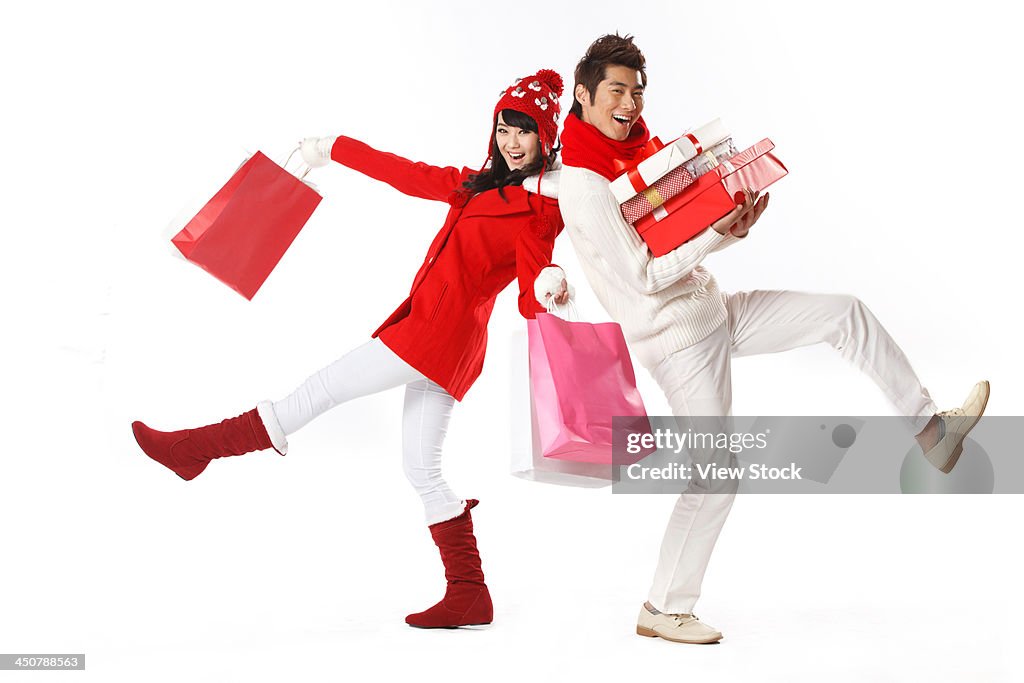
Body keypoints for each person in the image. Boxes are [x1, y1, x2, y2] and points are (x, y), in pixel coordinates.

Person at [552, 34, 989, 645]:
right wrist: (716, 237)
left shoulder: (638, 154)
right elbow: (644, 276)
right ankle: (663, 607)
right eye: (616, 91)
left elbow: (673, 238)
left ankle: (930, 431)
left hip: (713, 311)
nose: (629, 102)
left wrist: (728, 228)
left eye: (637, 90)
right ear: (584, 94)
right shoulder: (584, 183)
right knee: (717, 474)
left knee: (845, 314)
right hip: (676, 339)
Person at [131, 68, 569, 630]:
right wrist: (331, 148)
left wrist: (551, 288)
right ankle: (469, 592)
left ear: (545, 138)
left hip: (433, 336)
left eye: (525, 132)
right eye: (505, 128)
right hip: (446, 344)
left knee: (318, 391)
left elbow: (532, 296)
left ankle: (196, 449)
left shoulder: (539, 210)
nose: (512, 142)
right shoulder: (473, 185)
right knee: (421, 467)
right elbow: (402, 173)